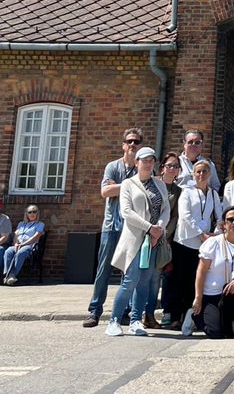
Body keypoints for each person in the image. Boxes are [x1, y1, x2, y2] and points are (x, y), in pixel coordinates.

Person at [106, 147, 171, 337]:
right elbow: (126, 212)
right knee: (130, 280)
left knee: (145, 281)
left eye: (151, 160)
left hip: (153, 241)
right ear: (137, 163)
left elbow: (166, 209)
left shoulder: (159, 185)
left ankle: (136, 320)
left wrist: (158, 228)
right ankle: (114, 320)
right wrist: (149, 228)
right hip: (136, 240)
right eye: (144, 160)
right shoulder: (128, 184)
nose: (148, 163)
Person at [84, 128, 142, 327]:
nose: (133, 145)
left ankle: (124, 311)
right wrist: (129, 184)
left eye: (136, 142)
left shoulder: (141, 169)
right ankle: (94, 311)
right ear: (123, 144)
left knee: (128, 272)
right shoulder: (112, 167)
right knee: (103, 270)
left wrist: (119, 186)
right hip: (111, 226)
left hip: (132, 229)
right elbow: (105, 191)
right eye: (129, 141)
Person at [192, 205, 234, 339]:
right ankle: (194, 316)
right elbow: (201, 271)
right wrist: (198, 298)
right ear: (224, 224)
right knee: (215, 333)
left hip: (233, 294)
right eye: (230, 220)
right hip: (212, 294)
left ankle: (232, 322)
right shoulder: (213, 243)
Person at [173, 160, 223, 330]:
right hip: (186, 241)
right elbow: (185, 216)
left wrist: (214, 234)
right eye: (198, 172)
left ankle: (195, 315)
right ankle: (177, 317)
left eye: (204, 172)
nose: (201, 175)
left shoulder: (214, 194)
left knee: (198, 280)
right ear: (193, 174)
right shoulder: (187, 192)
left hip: (204, 244)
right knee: (182, 281)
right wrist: (200, 234)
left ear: (209, 174)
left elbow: (220, 217)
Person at [151, 151, 183, 328]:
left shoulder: (179, 192)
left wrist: (165, 235)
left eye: (175, 166)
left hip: (167, 238)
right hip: (149, 234)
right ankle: (144, 312)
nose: (172, 169)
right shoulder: (154, 185)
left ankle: (167, 311)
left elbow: (176, 216)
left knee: (168, 277)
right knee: (149, 277)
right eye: (169, 165)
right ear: (162, 167)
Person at [1, 205, 45, 285]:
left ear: (37, 213)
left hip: (30, 247)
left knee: (20, 253)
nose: (32, 214)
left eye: (34, 211)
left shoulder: (40, 224)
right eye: (30, 212)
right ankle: (8, 275)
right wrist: (16, 244)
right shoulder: (21, 224)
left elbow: (35, 237)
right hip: (18, 245)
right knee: (8, 251)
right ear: (26, 214)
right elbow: (16, 235)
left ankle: (12, 275)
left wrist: (23, 244)